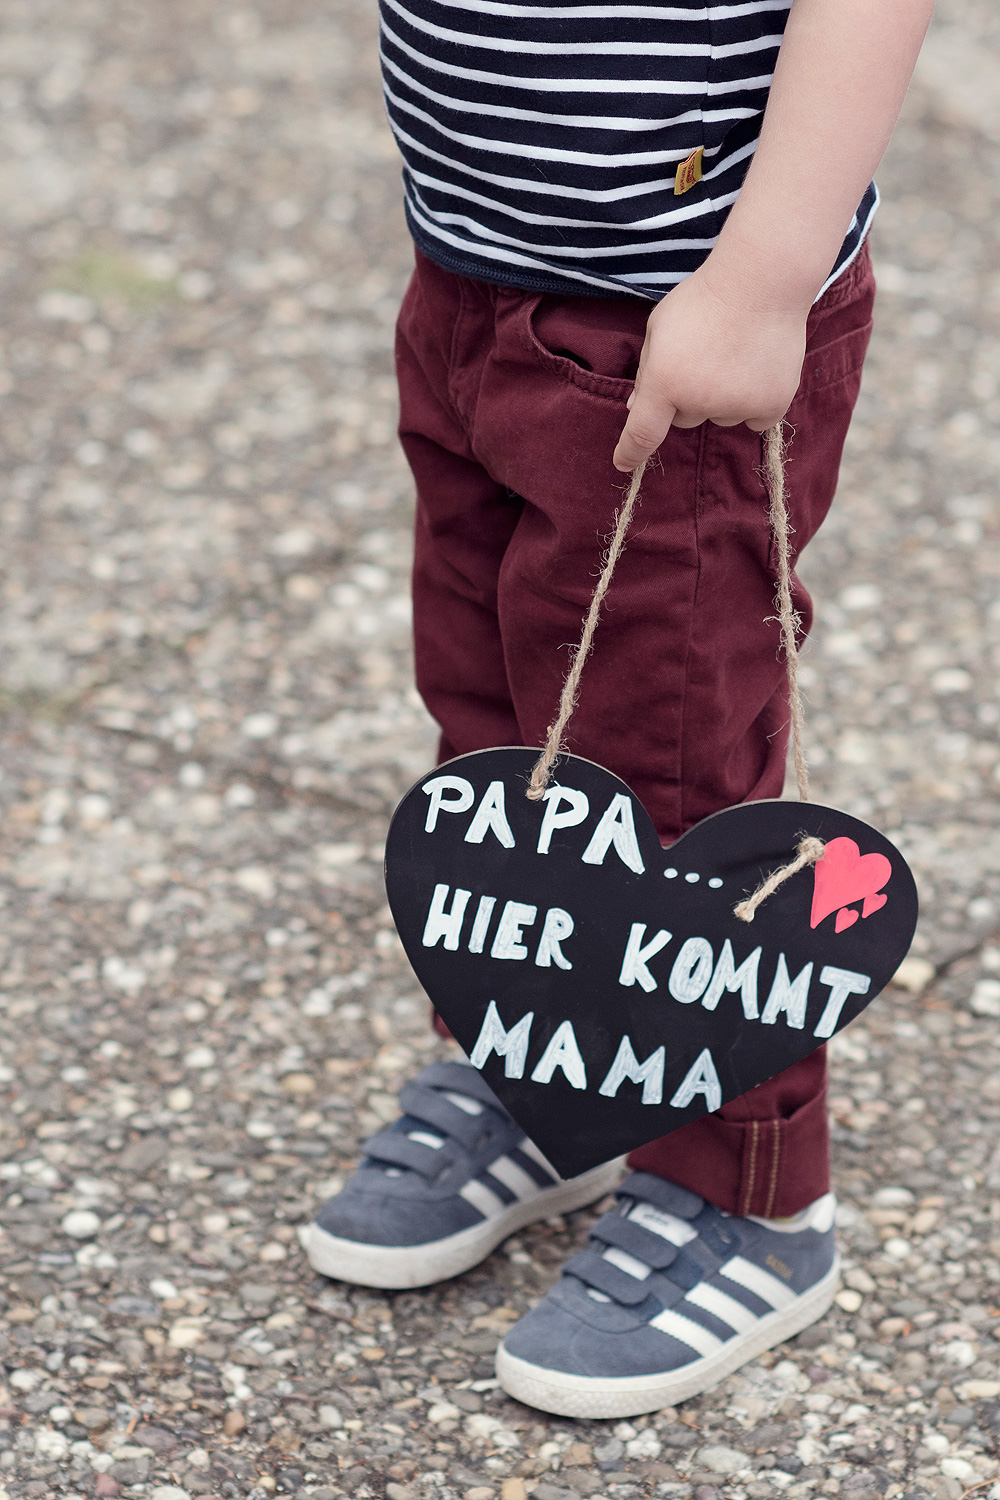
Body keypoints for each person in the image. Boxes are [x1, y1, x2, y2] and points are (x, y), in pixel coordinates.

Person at [304, 0, 933, 1417]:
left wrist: (765, 282)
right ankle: (550, 1070)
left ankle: (747, 1194)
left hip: (676, 323)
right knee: (500, 731)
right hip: (471, 267)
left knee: (669, 766)